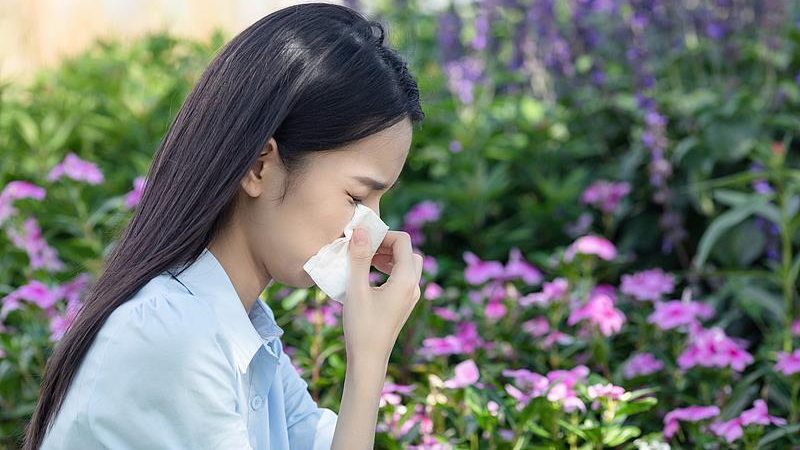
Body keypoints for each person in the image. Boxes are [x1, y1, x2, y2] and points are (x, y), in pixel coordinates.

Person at [24, 3, 425, 449]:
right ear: (259, 167)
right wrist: (369, 358)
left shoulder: (244, 327)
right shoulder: (172, 339)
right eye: (356, 197)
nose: (369, 229)